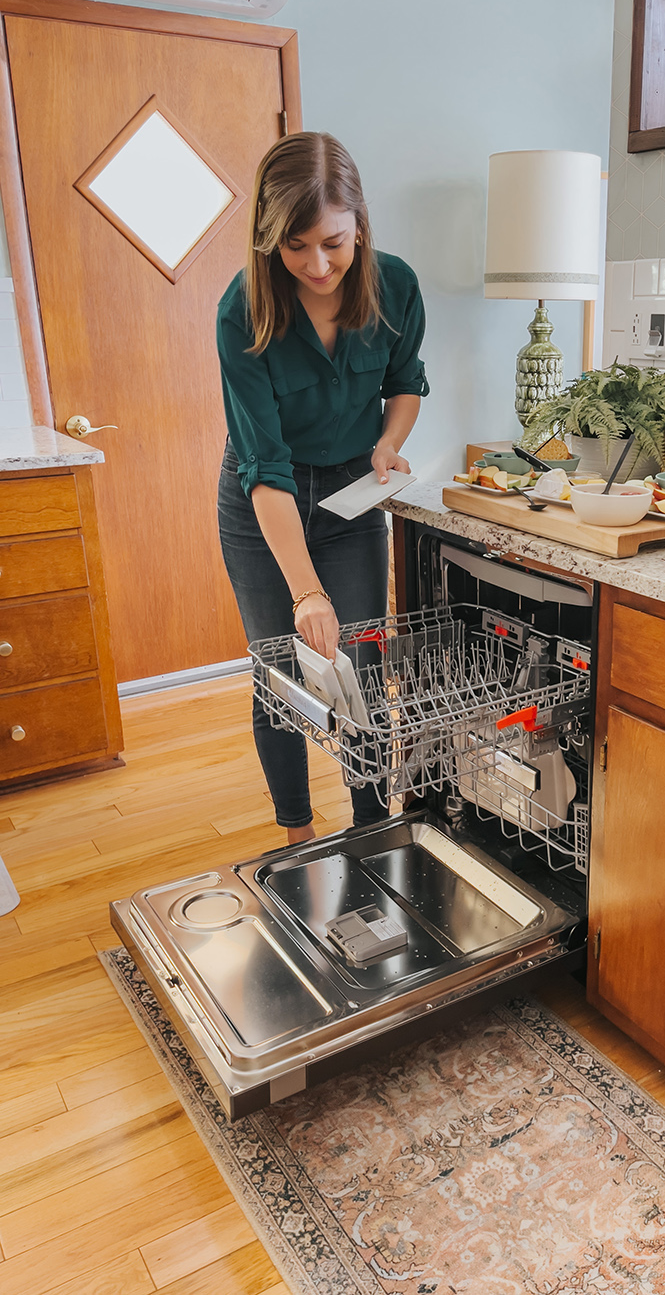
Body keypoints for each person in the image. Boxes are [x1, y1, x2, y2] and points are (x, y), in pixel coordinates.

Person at [216, 132, 428, 845]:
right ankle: (296, 836)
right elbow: (264, 468)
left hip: (351, 493)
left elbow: (404, 384)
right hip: (263, 502)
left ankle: (373, 828)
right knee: (280, 668)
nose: (316, 264)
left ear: (359, 223)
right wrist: (307, 591)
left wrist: (388, 441)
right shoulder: (241, 309)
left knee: (362, 665)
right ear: (270, 240)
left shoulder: (395, 284)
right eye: (295, 246)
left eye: (333, 242)